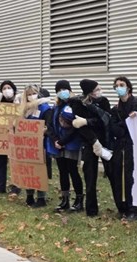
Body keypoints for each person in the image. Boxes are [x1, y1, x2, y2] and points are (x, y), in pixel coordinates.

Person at [69, 79, 113, 217]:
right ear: (89, 92)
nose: (99, 91)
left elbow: (105, 120)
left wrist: (88, 121)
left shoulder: (103, 102)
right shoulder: (78, 103)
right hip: (89, 143)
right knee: (90, 176)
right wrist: (93, 141)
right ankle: (91, 209)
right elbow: (80, 127)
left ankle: (122, 206)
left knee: (113, 173)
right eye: (96, 89)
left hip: (105, 141)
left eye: (100, 88)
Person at [109, 76, 137, 220]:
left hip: (134, 145)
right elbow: (115, 129)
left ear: (128, 87)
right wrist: (128, 121)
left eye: (122, 84)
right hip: (120, 145)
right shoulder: (115, 108)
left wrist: (124, 124)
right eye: (116, 85)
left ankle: (133, 208)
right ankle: (121, 206)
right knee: (118, 175)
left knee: (131, 176)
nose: (119, 87)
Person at [45, 80, 84, 212]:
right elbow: (50, 125)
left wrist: (63, 142)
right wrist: (56, 140)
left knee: (73, 170)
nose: (62, 92)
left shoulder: (76, 104)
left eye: (64, 89)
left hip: (71, 143)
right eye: (59, 90)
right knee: (62, 171)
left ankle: (79, 200)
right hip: (57, 144)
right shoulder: (56, 107)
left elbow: (76, 127)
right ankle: (65, 199)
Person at [21, 84, 52, 207]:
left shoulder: (45, 108)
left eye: (33, 93)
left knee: (40, 170)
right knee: (29, 171)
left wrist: (41, 131)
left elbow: (49, 126)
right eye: (28, 94)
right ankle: (29, 196)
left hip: (41, 145)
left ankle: (41, 198)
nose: (30, 96)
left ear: (38, 93)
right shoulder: (25, 109)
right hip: (27, 146)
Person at [0, 80, 21, 195]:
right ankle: (1, 187)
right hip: (1, 138)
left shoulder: (19, 101)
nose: (6, 90)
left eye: (8, 87)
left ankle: (16, 187)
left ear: (14, 89)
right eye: (4, 88)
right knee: (1, 162)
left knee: (15, 163)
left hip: (15, 137)